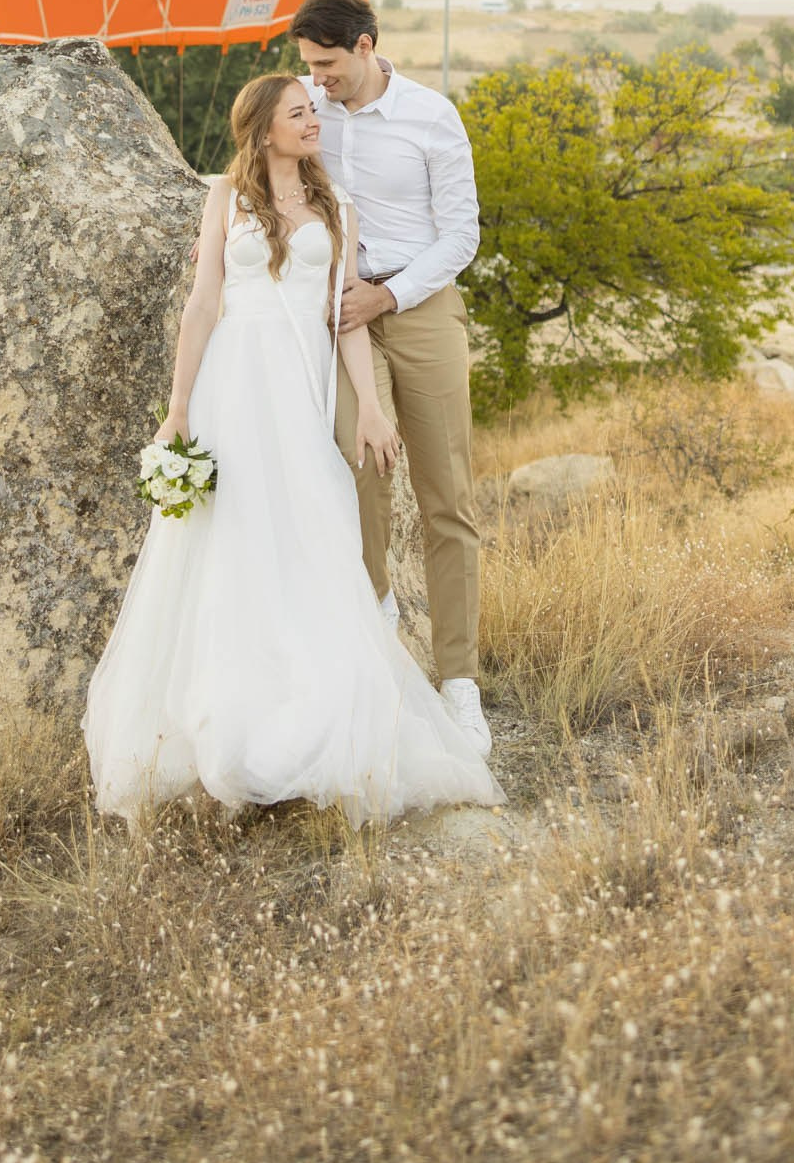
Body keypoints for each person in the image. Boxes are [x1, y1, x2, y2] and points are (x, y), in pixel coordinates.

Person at [84, 73, 497, 825]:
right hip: (229, 390)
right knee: (226, 546)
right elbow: (202, 302)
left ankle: (311, 711)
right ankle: (221, 716)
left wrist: (369, 407)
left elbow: (346, 317)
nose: (314, 122)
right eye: (299, 114)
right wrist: (177, 410)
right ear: (263, 130)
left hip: (298, 391)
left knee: (312, 538)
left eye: (314, 111)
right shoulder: (224, 200)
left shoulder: (338, 206)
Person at [291, 0, 488, 756]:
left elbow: (461, 233)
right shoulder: (304, 108)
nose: (318, 78)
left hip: (421, 302)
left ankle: (458, 682)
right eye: (308, 65)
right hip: (341, 317)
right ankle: (375, 641)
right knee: (355, 468)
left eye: (329, 63)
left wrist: (392, 295)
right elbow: (253, 168)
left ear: (366, 46)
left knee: (446, 494)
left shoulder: (431, 117)